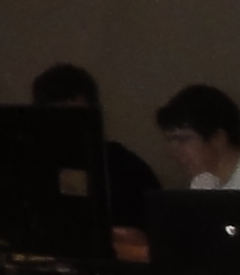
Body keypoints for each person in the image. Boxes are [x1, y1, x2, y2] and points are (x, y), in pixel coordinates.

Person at [31, 64, 166, 231]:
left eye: (77, 117)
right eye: (59, 118)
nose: (68, 128)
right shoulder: (31, 167)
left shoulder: (125, 169)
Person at [156, 83, 240, 191]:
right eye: (171, 140)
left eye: (184, 139)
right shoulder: (203, 181)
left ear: (218, 138)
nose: (174, 152)